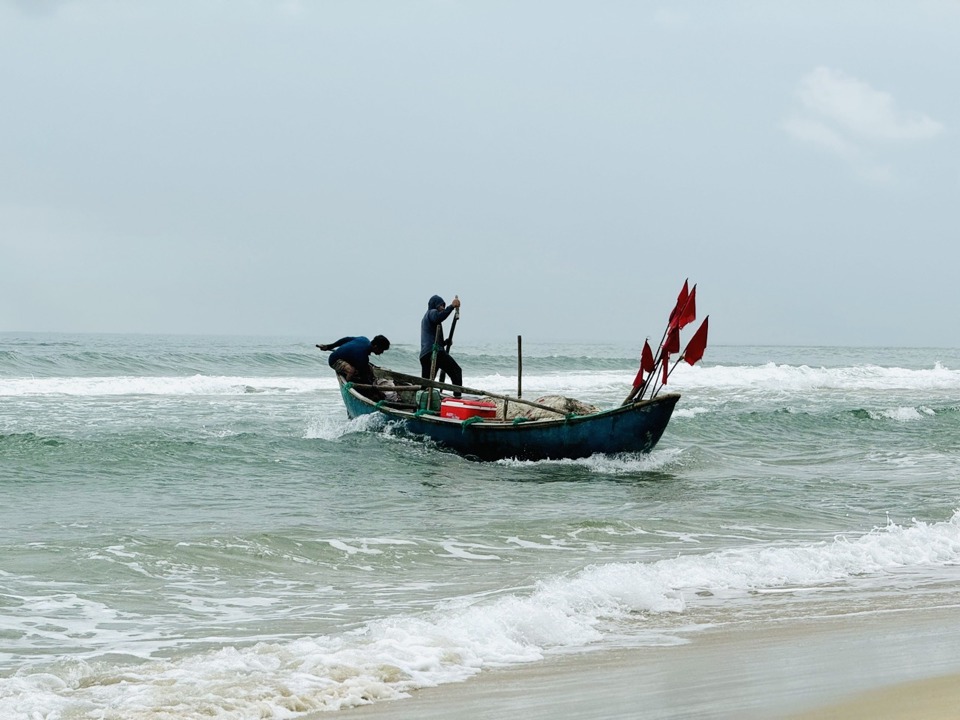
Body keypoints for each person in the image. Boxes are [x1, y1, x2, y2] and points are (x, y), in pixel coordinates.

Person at [419, 294, 462, 393]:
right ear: (434, 305)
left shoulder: (425, 318)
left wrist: (445, 343)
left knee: (427, 383)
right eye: (441, 306)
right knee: (456, 371)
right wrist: (451, 307)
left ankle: (421, 403)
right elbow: (439, 317)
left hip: (425, 355)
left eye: (444, 305)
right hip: (434, 353)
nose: (442, 308)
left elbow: (432, 340)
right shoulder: (432, 312)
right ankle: (457, 397)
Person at [316, 334, 390, 385]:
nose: (382, 352)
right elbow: (364, 376)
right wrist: (374, 391)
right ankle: (348, 385)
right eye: (382, 350)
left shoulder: (364, 339)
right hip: (335, 360)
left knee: (369, 370)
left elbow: (345, 340)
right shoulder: (362, 356)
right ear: (376, 347)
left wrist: (329, 347)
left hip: (349, 358)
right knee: (352, 371)